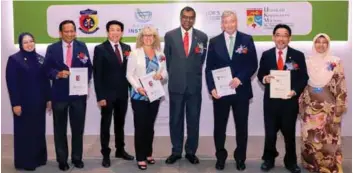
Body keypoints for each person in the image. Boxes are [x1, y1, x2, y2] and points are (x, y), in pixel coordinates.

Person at [205, 11, 258, 171]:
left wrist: (240, 78)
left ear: (236, 22)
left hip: (241, 91)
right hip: (221, 93)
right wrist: (212, 88)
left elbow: (253, 64)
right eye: (226, 22)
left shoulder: (246, 39)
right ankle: (220, 156)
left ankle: (240, 158)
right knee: (219, 127)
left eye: (232, 21)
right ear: (222, 24)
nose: (229, 24)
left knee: (241, 127)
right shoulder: (214, 41)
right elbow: (209, 68)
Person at [257, 24, 308, 173]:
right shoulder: (266, 54)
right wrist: (265, 78)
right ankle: (268, 159)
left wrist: (295, 91)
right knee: (270, 133)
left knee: (289, 133)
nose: (281, 38)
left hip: (289, 101)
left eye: (284, 35)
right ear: (273, 37)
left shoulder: (298, 55)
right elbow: (261, 74)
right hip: (271, 102)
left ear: (289, 38)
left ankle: (291, 161)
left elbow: (303, 77)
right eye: (278, 35)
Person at [43, 20, 92, 171]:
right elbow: (46, 69)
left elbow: (88, 67)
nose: (70, 34)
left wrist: (84, 81)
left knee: (78, 129)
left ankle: (77, 158)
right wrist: (57, 74)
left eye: (72, 31)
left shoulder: (81, 46)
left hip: (78, 96)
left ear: (75, 32)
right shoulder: (52, 48)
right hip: (59, 95)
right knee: (60, 129)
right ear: (60, 33)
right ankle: (62, 160)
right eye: (66, 31)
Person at [164, 6, 208, 164]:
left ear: (194, 19)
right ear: (180, 17)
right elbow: (168, 61)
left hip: (194, 87)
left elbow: (200, 60)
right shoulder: (170, 36)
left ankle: (190, 151)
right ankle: (176, 151)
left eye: (191, 17)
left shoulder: (202, 37)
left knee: (193, 120)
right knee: (175, 120)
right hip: (176, 86)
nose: (187, 20)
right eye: (185, 17)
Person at [299, 33, 347, 173]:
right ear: (314, 44)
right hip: (310, 105)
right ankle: (312, 164)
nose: (321, 45)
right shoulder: (306, 61)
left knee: (328, 136)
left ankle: (329, 165)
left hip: (329, 107)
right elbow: (300, 81)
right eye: (318, 42)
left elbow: (340, 84)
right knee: (311, 136)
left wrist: (340, 104)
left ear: (328, 44)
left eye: (324, 42)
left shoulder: (335, 61)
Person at [6, 32, 51, 171]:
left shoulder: (40, 58)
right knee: (25, 133)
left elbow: (46, 81)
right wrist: (15, 104)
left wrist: (48, 99)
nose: (29, 44)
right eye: (25, 42)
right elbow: (12, 84)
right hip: (23, 104)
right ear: (21, 44)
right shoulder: (14, 59)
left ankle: (39, 158)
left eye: (31, 41)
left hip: (39, 102)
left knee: (38, 131)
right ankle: (26, 162)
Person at [93, 20, 134, 168]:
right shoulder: (100, 49)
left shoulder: (127, 48)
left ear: (122, 32)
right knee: (106, 124)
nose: (115, 32)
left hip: (123, 94)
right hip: (107, 95)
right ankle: (105, 153)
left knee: (120, 124)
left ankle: (120, 150)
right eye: (112, 30)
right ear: (107, 32)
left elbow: (130, 72)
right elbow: (97, 75)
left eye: (118, 30)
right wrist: (100, 96)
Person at [126, 26, 168, 170]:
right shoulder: (134, 53)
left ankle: (148, 153)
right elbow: (129, 75)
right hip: (139, 95)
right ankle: (141, 157)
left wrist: (160, 75)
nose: (148, 37)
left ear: (155, 37)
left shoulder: (160, 54)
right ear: (141, 37)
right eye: (145, 35)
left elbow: (165, 73)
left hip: (154, 95)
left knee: (150, 126)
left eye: (151, 35)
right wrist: (138, 87)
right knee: (141, 126)